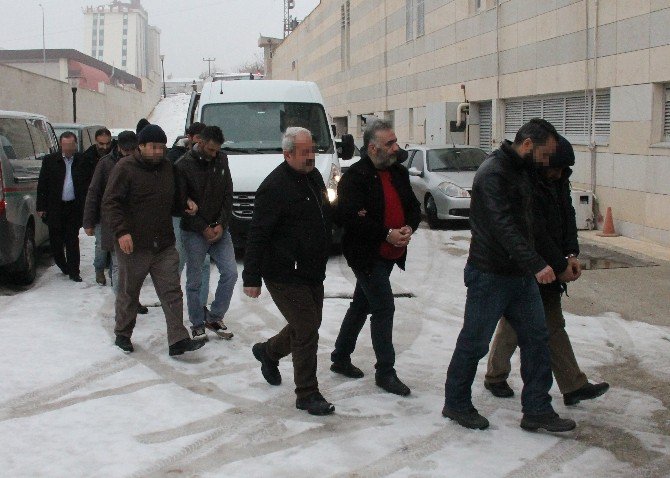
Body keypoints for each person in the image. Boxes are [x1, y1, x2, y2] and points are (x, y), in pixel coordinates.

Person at [442, 118, 576, 432]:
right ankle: (456, 403)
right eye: (544, 154)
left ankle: (537, 410)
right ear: (528, 145)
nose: (546, 163)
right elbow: (504, 228)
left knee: (537, 340)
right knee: (474, 343)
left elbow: (533, 226)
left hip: (519, 276)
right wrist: (537, 264)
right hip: (489, 275)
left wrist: (557, 260)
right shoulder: (493, 174)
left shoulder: (525, 172)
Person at [484, 135, 609, 406]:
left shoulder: (559, 179)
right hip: (530, 263)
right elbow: (534, 231)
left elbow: (567, 215)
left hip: (553, 262)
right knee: (519, 324)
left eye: (564, 170)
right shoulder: (525, 181)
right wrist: (559, 265)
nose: (559, 174)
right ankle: (496, 376)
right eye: (555, 168)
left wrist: (571, 253)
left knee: (549, 324)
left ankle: (572, 385)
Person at [243, 127, 335, 416]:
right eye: (304, 152)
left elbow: (325, 213)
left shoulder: (315, 177)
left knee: (307, 324)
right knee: (307, 327)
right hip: (283, 272)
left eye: (312, 150)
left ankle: (268, 352)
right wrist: (251, 277)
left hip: (312, 268)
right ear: (287, 153)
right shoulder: (274, 187)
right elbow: (257, 233)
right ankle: (307, 393)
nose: (311, 157)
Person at [330, 120, 421, 397]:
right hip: (365, 256)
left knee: (361, 305)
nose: (396, 148)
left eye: (395, 141)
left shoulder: (398, 173)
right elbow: (349, 218)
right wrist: (385, 234)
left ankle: (340, 357)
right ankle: (385, 372)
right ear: (372, 148)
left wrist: (408, 227)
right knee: (383, 307)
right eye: (389, 144)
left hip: (390, 253)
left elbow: (413, 208)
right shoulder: (355, 177)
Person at [102, 124, 205, 356]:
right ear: (141, 146)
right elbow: (111, 203)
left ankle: (178, 340)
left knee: (172, 293)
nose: (159, 152)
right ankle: (123, 334)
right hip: (134, 245)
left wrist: (185, 203)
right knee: (129, 292)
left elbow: (173, 199)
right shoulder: (125, 168)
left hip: (164, 244)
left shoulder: (168, 167)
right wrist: (121, 232)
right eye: (154, 147)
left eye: (162, 147)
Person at [176, 125, 237, 340]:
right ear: (200, 142)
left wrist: (221, 223)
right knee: (195, 280)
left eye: (217, 150)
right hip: (194, 231)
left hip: (220, 229)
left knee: (230, 273)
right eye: (210, 150)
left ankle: (214, 316)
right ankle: (197, 322)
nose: (214, 154)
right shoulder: (183, 165)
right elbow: (183, 203)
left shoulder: (222, 159)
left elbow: (228, 194)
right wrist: (203, 227)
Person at [82, 131, 150, 314]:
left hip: (138, 223)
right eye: (125, 150)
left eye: (132, 150)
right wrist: (88, 221)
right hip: (113, 221)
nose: (128, 154)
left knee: (136, 267)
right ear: (118, 147)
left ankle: (132, 300)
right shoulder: (105, 164)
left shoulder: (144, 163)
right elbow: (94, 192)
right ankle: (123, 305)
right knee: (118, 266)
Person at [36, 132, 89, 282]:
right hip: (55, 207)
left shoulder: (81, 160)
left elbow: (87, 183)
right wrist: (41, 206)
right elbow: (43, 184)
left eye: (70, 146)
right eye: (64, 145)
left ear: (75, 145)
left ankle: (74, 271)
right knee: (56, 241)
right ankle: (62, 264)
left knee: (72, 239)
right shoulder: (50, 161)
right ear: (60, 145)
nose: (67, 149)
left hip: (73, 207)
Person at [169, 122, 211, 309]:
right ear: (191, 137)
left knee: (204, 262)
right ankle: (171, 298)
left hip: (201, 217)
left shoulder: (210, 157)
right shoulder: (175, 156)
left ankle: (200, 303)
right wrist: (185, 200)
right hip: (180, 216)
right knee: (178, 259)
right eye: (199, 138)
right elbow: (171, 187)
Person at [81, 128, 114, 286]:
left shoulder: (115, 156)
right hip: (99, 209)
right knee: (101, 244)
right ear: (95, 141)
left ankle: (114, 272)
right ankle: (99, 269)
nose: (104, 147)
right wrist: (88, 218)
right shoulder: (88, 158)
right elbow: (90, 190)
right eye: (101, 144)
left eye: (107, 143)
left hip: (113, 207)